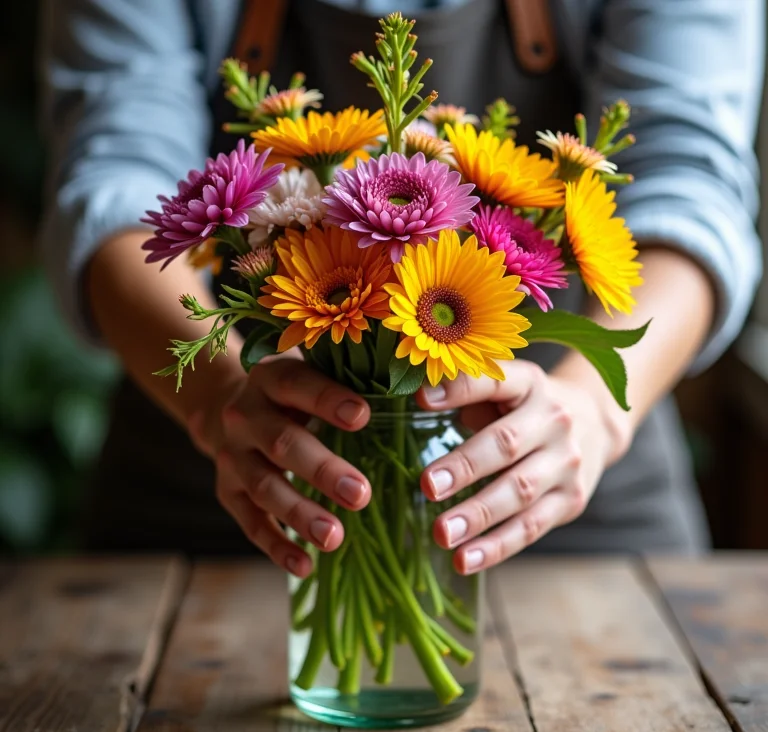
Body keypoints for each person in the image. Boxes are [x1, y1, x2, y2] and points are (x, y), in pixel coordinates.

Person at [39, 0, 764, 574]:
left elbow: (688, 185)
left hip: (572, 489)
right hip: (226, 488)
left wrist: (595, 408)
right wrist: (218, 399)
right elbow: (118, 181)